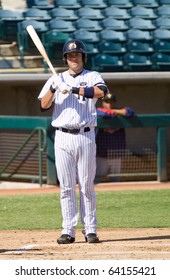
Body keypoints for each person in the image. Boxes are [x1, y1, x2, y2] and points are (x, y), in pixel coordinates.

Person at [38, 39, 108, 244]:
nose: (73, 57)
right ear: (65, 59)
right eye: (70, 55)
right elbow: (42, 105)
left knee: (86, 184)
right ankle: (68, 230)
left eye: (77, 54)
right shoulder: (55, 79)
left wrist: (74, 89)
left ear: (83, 57)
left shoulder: (92, 76)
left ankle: (90, 229)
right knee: (66, 186)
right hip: (62, 136)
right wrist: (54, 88)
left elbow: (101, 92)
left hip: (85, 135)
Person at [96, 92, 134, 181]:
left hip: (116, 154)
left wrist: (115, 111)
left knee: (116, 180)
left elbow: (130, 112)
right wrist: (116, 113)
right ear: (103, 103)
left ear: (115, 102)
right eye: (107, 102)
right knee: (97, 179)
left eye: (111, 102)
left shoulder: (120, 112)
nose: (109, 104)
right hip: (101, 154)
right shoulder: (98, 111)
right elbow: (103, 114)